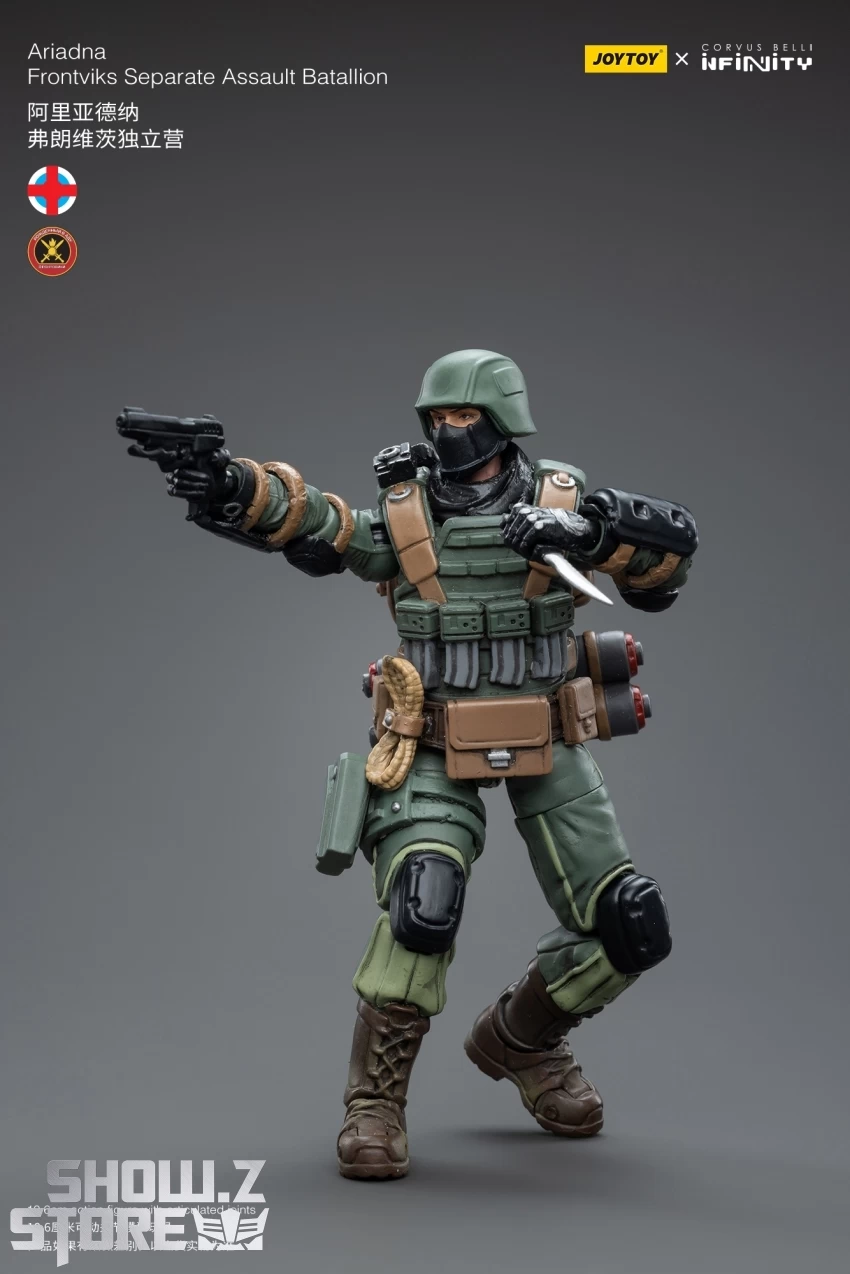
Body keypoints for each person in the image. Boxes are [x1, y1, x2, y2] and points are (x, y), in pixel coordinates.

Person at [123, 348, 697, 1179]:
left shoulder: (564, 501)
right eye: (437, 417)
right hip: (429, 741)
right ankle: (375, 1100)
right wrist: (233, 486)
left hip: (547, 738)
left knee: (630, 924)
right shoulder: (407, 511)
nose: (448, 430)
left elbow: (668, 564)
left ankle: (524, 1039)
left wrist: (595, 532)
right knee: (424, 902)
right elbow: (322, 526)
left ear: (502, 421)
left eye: (464, 416)